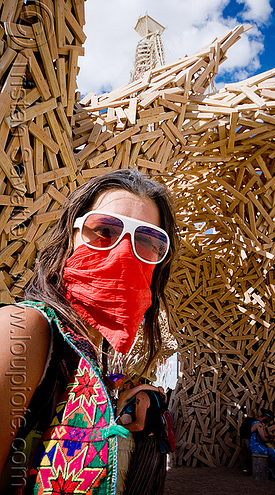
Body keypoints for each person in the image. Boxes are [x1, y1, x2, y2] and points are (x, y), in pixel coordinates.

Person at [0, 169, 178, 494]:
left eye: (148, 241)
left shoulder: (88, 357)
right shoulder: (25, 329)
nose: (123, 253)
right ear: (71, 237)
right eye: (104, 230)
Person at [115, 377, 165, 495]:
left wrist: (120, 428)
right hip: (131, 440)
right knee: (127, 478)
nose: (130, 385)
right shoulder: (125, 396)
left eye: (132, 381)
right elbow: (141, 387)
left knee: (136, 480)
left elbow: (139, 426)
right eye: (127, 382)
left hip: (137, 441)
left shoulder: (140, 396)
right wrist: (158, 389)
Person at [249, 408, 275, 479]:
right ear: (266, 417)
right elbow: (263, 439)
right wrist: (270, 439)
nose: (268, 421)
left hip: (255, 445)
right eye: (268, 419)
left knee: (274, 452)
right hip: (256, 447)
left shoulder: (255, 422)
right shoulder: (258, 425)